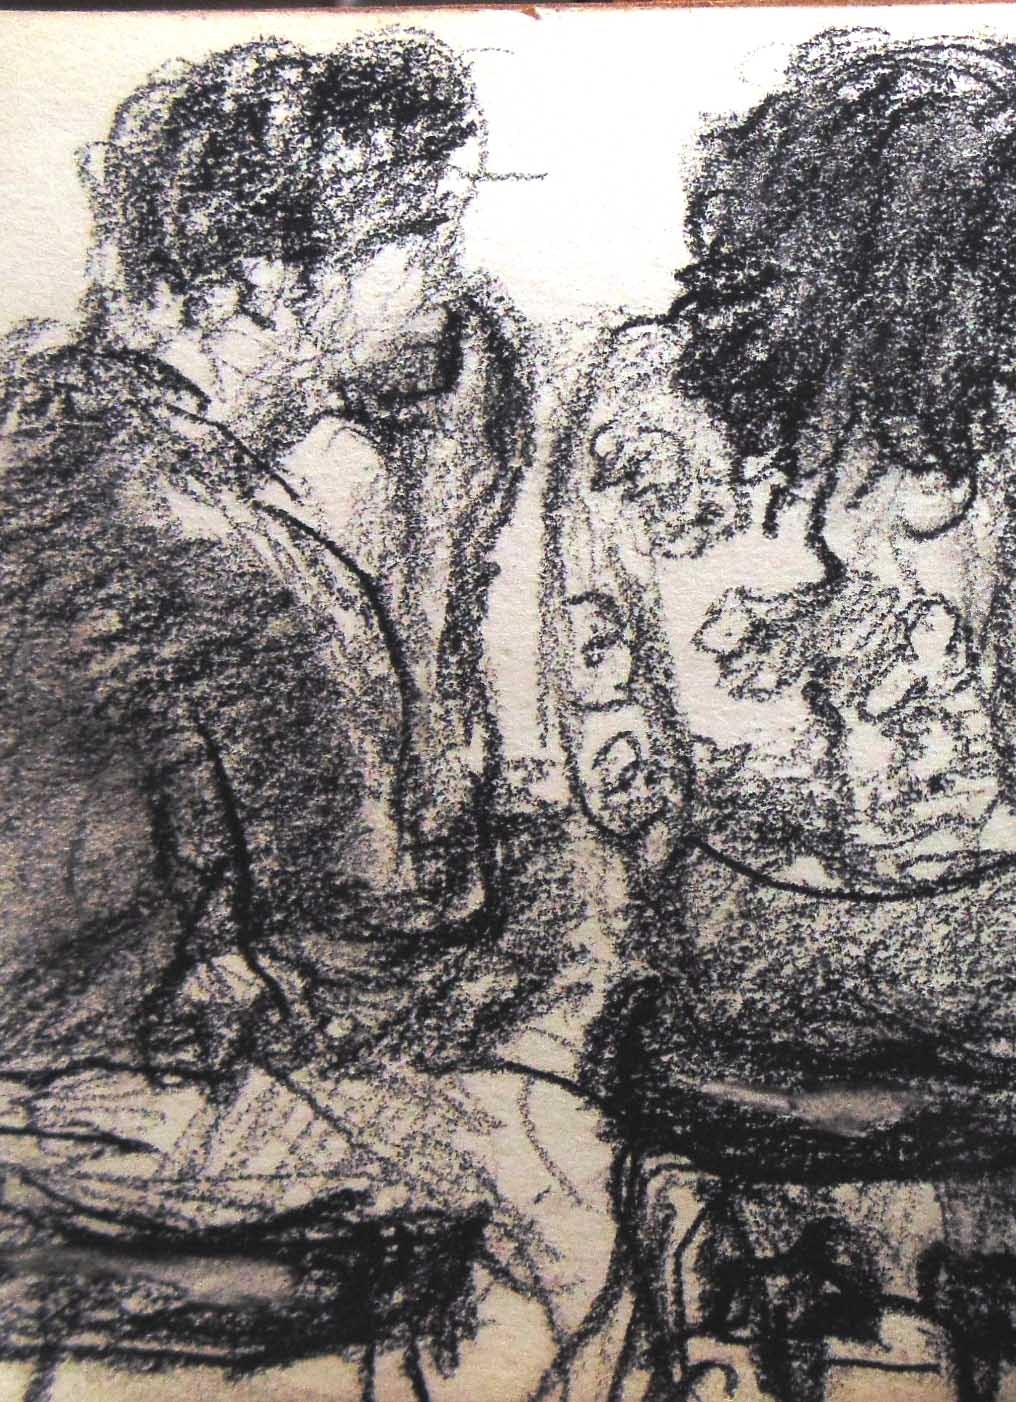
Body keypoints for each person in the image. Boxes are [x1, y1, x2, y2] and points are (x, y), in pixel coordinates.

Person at [547, 28, 1016, 1398]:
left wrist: (687, 883)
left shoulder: (633, 391)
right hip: (992, 961)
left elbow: (608, 724)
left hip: (734, 949)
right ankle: (1009, 1313)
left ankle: (772, 1298)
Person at [0, 34, 615, 1401]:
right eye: (416, 237)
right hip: (108, 1145)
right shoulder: (236, 564)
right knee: (569, 1183)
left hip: (57, 1089)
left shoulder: (30, 416)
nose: (446, 282)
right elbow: (376, 928)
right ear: (263, 282)